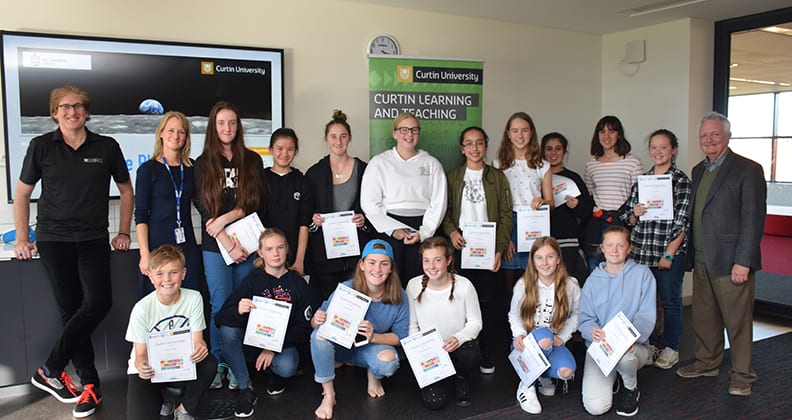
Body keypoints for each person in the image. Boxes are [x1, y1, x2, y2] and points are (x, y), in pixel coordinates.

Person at [18, 85, 133, 418]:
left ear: (87, 111)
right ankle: (90, 386)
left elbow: (126, 191)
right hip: (53, 240)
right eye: (65, 107)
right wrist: (24, 238)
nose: (72, 111)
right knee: (71, 312)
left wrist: (123, 231)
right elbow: (23, 194)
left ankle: (50, 368)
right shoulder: (40, 146)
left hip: (93, 238)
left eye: (78, 106)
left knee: (98, 303)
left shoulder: (107, 146)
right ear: (55, 112)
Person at [676, 112, 766, 397]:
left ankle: (742, 375)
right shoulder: (698, 171)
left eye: (715, 134)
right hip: (702, 258)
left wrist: (744, 260)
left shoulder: (748, 170)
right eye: (704, 135)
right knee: (704, 317)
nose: (709, 139)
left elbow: (753, 219)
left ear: (728, 136)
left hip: (731, 262)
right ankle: (707, 362)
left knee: (737, 322)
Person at [194, 101, 268, 390]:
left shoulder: (252, 160)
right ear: (214, 127)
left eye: (233, 122)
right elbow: (203, 206)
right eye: (222, 123)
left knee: (243, 306)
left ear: (239, 126)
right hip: (216, 248)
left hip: (247, 245)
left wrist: (226, 218)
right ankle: (217, 363)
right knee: (219, 305)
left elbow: (254, 201)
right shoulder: (202, 163)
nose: (227, 128)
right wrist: (226, 240)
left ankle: (238, 364)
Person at [215, 228, 318, 418]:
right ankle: (247, 388)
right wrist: (238, 310)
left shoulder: (298, 283)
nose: (276, 254)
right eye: (269, 249)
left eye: (280, 247)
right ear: (260, 253)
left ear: (287, 249)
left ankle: (275, 374)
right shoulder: (251, 281)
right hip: (252, 342)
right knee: (228, 331)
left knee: (287, 367)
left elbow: (303, 328)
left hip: (282, 346)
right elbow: (220, 318)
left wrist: (272, 348)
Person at [310, 239, 409, 420]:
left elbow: (400, 337)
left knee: (388, 362)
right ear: (362, 265)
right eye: (372, 262)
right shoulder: (347, 288)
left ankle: (374, 375)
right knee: (318, 336)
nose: (377, 269)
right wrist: (316, 320)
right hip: (341, 348)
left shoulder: (400, 296)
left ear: (391, 268)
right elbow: (317, 325)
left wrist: (374, 336)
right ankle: (329, 395)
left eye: (384, 264)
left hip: (369, 348)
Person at [442, 126, 512, 374]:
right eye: (469, 144)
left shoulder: (497, 177)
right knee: (461, 301)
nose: (474, 148)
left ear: (485, 146)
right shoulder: (451, 177)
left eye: (479, 143)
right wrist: (451, 232)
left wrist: (500, 249)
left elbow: (505, 215)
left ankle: (486, 352)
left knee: (489, 304)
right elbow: (445, 214)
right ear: (462, 149)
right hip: (462, 249)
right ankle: (462, 351)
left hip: (489, 250)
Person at [619, 129, 691, 370]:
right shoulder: (643, 181)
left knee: (670, 301)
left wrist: (669, 253)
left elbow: (682, 222)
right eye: (653, 147)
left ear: (673, 150)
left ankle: (671, 347)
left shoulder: (680, 180)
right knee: (645, 303)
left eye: (663, 147)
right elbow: (625, 216)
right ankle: (647, 345)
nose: (658, 152)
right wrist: (634, 214)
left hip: (667, 252)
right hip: (641, 252)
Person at [125, 245, 217, 420]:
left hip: (181, 363)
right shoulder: (141, 309)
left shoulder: (194, 298)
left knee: (209, 362)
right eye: (159, 274)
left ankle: (184, 409)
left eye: (173, 272)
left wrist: (201, 347)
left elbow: (198, 340)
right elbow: (140, 355)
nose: (167, 279)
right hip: (151, 370)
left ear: (183, 274)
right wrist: (142, 366)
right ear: (151, 277)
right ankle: (164, 399)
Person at [361, 112, 447, 283]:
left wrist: (423, 233)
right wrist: (393, 230)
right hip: (388, 229)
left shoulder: (432, 163)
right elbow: (369, 202)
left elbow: (439, 203)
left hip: (422, 228)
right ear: (394, 133)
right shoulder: (379, 163)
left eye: (414, 130)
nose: (409, 134)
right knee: (389, 282)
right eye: (404, 130)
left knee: (421, 282)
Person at [579, 226, 656, 417]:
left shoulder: (642, 274)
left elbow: (646, 315)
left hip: (631, 347)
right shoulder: (592, 281)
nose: (614, 250)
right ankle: (614, 377)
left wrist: (628, 339)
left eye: (620, 245)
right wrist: (592, 331)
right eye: (610, 245)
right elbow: (585, 319)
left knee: (625, 357)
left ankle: (631, 388)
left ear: (629, 248)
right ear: (602, 248)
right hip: (601, 349)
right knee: (596, 407)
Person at [406, 237, 483, 409]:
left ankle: (461, 378)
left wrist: (459, 338)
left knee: (470, 354)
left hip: (457, 347)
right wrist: (420, 351)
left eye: (437, 260)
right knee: (434, 403)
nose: (431, 266)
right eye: (427, 261)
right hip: (430, 352)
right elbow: (412, 326)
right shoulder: (413, 285)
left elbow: (475, 322)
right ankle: (441, 376)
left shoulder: (465, 286)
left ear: (448, 260)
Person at [508, 236, 580, 415]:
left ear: (558, 259)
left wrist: (563, 337)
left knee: (566, 372)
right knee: (544, 338)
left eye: (550, 257)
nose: (544, 262)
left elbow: (578, 315)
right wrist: (519, 334)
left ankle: (541, 376)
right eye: (539, 257)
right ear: (533, 260)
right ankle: (526, 386)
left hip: (553, 341)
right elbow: (513, 314)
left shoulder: (571, 285)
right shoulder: (523, 284)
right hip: (525, 344)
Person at [135, 111, 202, 297]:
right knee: (157, 304)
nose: (176, 136)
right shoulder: (148, 170)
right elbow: (140, 214)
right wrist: (144, 254)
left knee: (191, 299)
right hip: (156, 247)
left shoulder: (192, 168)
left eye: (181, 132)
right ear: (161, 134)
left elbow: (205, 205)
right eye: (171, 130)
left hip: (186, 246)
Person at [306, 110, 370, 300]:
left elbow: (374, 208)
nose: (338, 141)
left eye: (343, 136)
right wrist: (314, 219)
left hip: (356, 253)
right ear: (326, 139)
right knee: (327, 304)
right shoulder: (314, 173)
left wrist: (364, 220)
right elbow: (307, 212)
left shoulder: (365, 170)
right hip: (325, 255)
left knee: (354, 303)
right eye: (333, 136)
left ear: (350, 138)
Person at [493, 113, 553, 291]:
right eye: (515, 131)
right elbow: (495, 205)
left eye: (525, 130)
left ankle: (530, 318)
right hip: (507, 222)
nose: (520, 136)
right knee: (508, 279)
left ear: (532, 133)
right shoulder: (497, 164)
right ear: (508, 134)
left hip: (533, 222)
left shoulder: (543, 165)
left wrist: (542, 202)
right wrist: (504, 237)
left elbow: (551, 203)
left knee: (532, 278)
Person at [584, 116, 644, 272]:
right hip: (598, 224)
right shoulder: (591, 165)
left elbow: (639, 195)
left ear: (619, 135)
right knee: (595, 268)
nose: (606, 136)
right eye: (602, 131)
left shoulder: (632, 162)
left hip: (622, 222)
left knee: (622, 271)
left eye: (611, 131)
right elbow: (590, 195)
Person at [542, 132, 594, 285]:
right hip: (542, 241)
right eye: (549, 149)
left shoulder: (573, 178)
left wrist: (577, 206)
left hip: (568, 242)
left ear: (564, 152)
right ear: (542, 151)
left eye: (558, 149)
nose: (553, 153)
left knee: (569, 285)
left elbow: (587, 211)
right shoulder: (536, 178)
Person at [264, 128, 314, 275]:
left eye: (290, 149)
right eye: (279, 149)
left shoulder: (303, 182)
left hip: (293, 257)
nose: (284, 154)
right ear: (271, 149)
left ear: (296, 151)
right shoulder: (260, 179)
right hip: (265, 258)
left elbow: (304, 225)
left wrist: (299, 260)